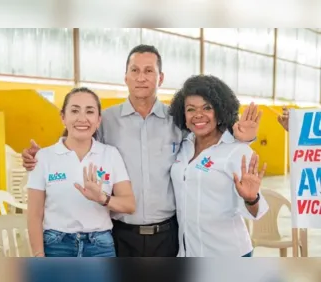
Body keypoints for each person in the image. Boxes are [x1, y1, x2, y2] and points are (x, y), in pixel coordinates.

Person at [23, 44, 261, 257]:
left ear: (161, 78)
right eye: (134, 70)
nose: (141, 77)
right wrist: (40, 157)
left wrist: (240, 136)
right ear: (125, 76)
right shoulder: (107, 119)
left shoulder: (178, 119)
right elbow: (77, 138)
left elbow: (210, 137)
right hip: (120, 234)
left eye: (149, 71)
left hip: (168, 234)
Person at [26, 87, 135, 258]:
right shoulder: (44, 157)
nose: (82, 118)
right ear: (63, 117)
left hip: (100, 247)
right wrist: (39, 254)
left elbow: (129, 205)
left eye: (90, 111)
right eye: (75, 110)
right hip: (56, 245)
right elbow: (34, 214)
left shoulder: (110, 154)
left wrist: (102, 198)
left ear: (98, 120)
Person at [169, 75, 269, 257]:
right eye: (191, 109)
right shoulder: (183, 146)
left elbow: (258, 212)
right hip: (188, 252)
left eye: (207, 108)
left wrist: (251, 198)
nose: (198, 115)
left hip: (229, 254)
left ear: (220, 110)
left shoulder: (237, 151)